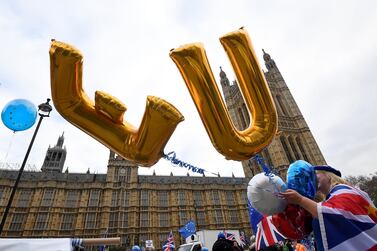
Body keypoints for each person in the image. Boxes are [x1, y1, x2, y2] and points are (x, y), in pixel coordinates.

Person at [281, 165, 377, 250]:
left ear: (328, 176)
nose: (312, 178)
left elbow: (334, 213)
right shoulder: (333, 197)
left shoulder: (343, 191)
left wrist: (301, 200)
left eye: (315, 174)